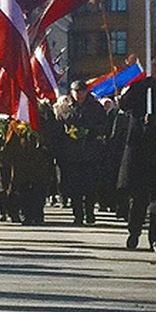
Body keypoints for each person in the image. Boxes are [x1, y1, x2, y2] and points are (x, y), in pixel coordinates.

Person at [117, 56, 156, 251]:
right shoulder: (140, 87)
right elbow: (124, 104)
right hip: (139, 151)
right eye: (155, 66)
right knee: (138, 198)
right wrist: (141, 88)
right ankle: (134, 232)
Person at [55, 80, 108, 225]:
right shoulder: (64, 108)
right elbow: (59, 129)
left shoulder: (96, 107)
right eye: (76, 91)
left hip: (90, 153)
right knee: (74, 187)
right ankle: (77, 214)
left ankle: (89, 213)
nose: (79, 94)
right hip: (71, 154)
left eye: (82, 91)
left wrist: (89, 131)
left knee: (90, 186)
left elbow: (104, 126)